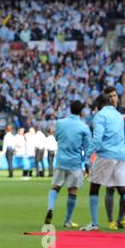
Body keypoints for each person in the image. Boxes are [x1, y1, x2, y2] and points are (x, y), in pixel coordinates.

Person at [81, 94, 125, 231]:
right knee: (122, 189)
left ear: (99, 105)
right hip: (121, 155)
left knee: (94, 187)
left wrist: (88, 154)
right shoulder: (119, 115)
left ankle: (94, 224)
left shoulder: (100, 115)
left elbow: (98, 138)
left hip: (106, 154)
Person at [44, 100, 91, 228]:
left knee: (55, 187)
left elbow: (57, 138)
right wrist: (87, 167)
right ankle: (67, 220)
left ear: (70, 109)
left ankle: (51, 207)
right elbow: (87, 150)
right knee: (72, 191)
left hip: (61, 160)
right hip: (75, 163)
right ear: (81, 112)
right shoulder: (84, 127)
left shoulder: (60, 123)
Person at [102, 86, 125, 230]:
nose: (112, 98)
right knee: (110, 188)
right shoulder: (103, 115)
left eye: (114, 95)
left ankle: (121, 219)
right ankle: (110, 220)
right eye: (109, 96)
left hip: (122, 156)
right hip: (109, 155)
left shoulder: (123, 112)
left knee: (123, 189)